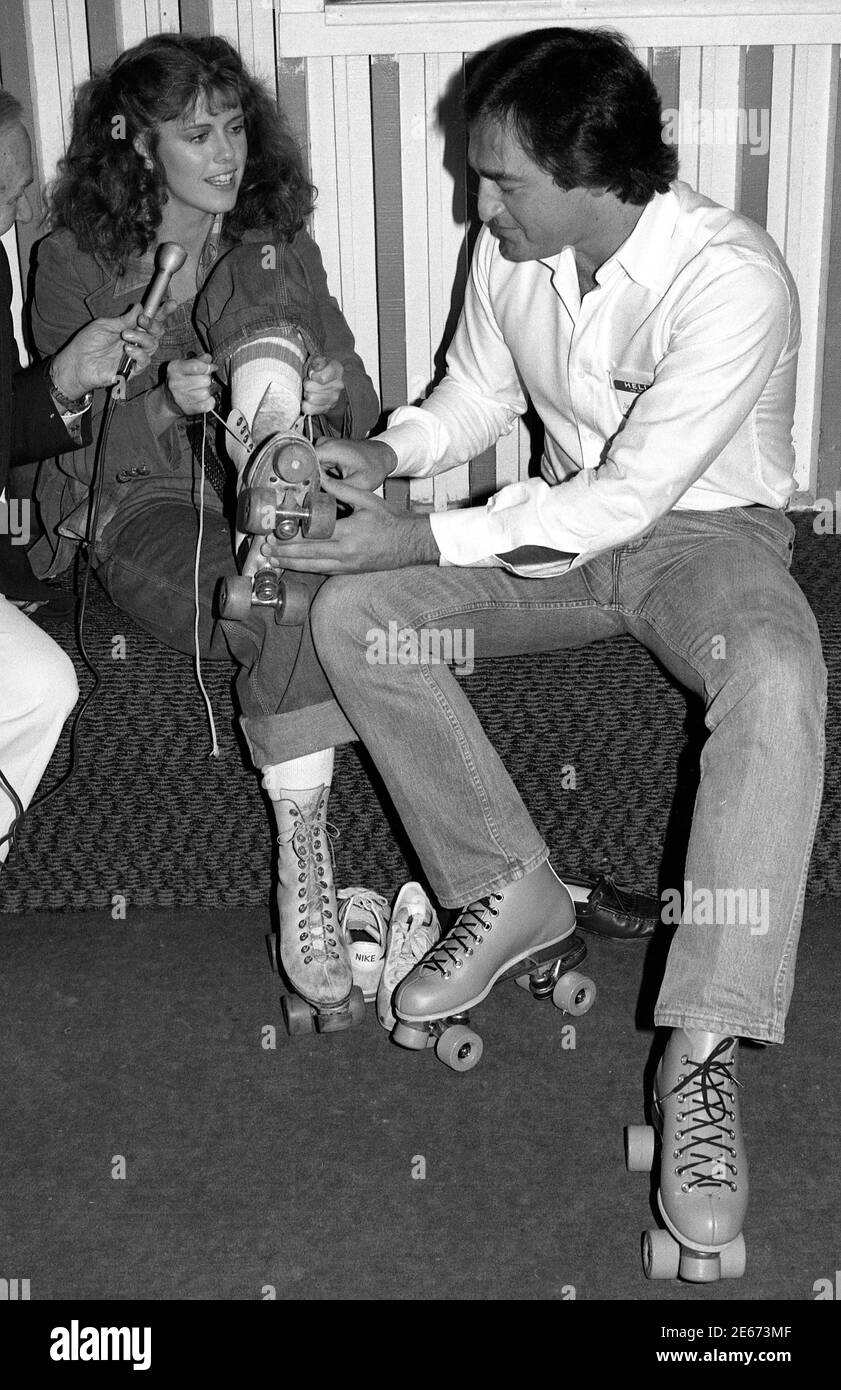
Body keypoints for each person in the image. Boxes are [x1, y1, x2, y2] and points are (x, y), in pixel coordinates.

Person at [271, 28, 826, 1279]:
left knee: (778, 675)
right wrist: (393, 453)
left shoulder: (732, 279)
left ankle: (702, 1054)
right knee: (356, 615)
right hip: (563, 532)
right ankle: (508, 884)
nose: (479, 204)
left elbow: (633, 499)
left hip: (708, 540)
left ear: (594, 176)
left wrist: (421, 531)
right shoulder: (515, 250)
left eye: (502, 182)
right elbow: (476, 392)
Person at [27, 34, 383, 1025]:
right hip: (141, 504)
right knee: (279, 597)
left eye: (233, 127)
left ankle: (313, 862)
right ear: (139, 147)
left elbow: (359, 399)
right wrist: (154, 399)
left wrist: (325, 396)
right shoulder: (73, 258)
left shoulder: (271, 247)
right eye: (196, 134)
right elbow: (54, 441)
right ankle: (303, 869)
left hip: (265, 498)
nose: (225, 153)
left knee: (284, 578)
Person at [0, 89, 165, 865]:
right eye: (3, 191)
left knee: (41, 684)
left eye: (24, 180)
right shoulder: (59, 260)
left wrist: (63, 379)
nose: (25, 205)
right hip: (128, 504)